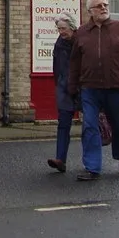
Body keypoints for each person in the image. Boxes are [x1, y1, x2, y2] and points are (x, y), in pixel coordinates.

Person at [67, 0, 119, 181]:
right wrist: (72, 88)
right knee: (90, 127)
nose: (104, 8)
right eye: (99, 6)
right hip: (90, 88)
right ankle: (92, 168)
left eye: (105, 4)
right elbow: (75, 63)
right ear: (90, 11)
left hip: (115, 87)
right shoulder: (82, 33)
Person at [47, 12, 79, 173]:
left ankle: (92, 162)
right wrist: (59, 83)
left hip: (82, 88)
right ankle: (60, 159)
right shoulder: (59, 43)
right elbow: (57, 66)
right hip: (64, 88)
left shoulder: (81, 41)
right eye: (59, 29)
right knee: (63, 125)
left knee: (91, 126)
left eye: (64, 28)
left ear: (72, 27)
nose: (61, 32)